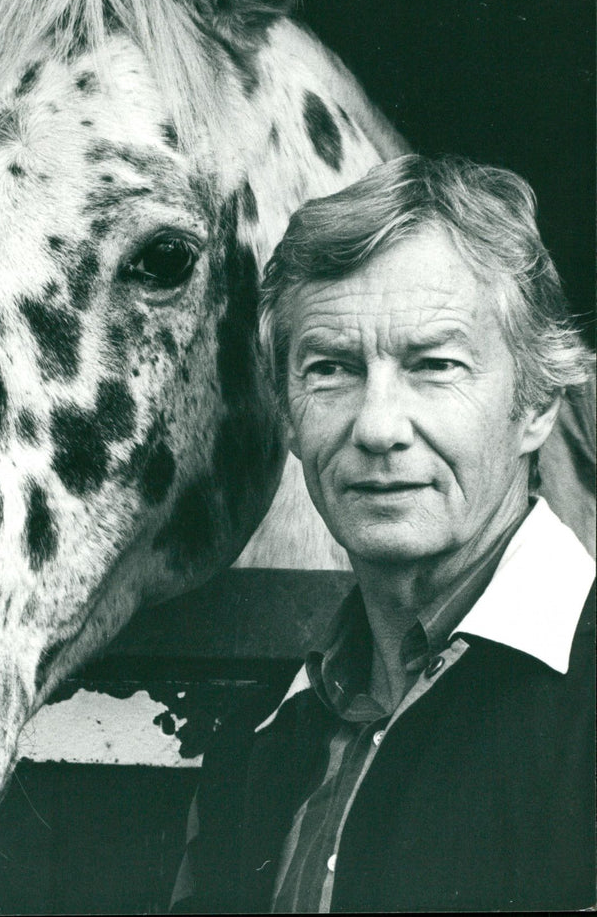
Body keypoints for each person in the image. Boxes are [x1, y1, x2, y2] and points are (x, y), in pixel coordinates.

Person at [171, 155, 595, 913]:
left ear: (536, 406)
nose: (376, 427)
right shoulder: (258, 743)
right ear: (289, 417)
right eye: (330, 369)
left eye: (434, 365)